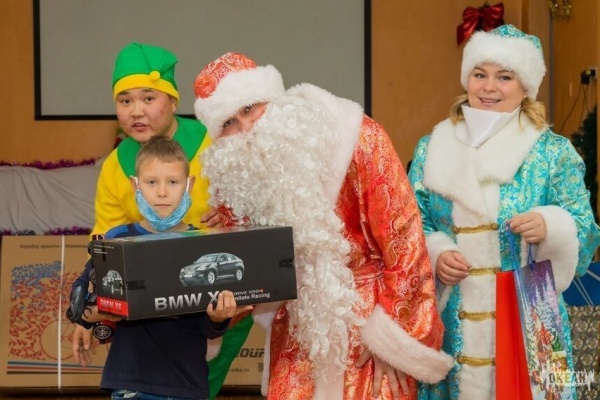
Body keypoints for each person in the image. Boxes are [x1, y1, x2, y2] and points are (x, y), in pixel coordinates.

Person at [192, 52, 454, 400]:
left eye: (250, 108)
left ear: (274, 98)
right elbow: (251, 279)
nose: (246, 128)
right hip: (298, 329)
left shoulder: (357, 137)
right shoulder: (240, 176)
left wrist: (393, 341)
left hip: (371, 322)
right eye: (228, 123)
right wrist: (219, 305)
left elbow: (403, 238)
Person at [408, 24, 600, 398]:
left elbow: (586, 231)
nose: (489, 87)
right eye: (480, 74)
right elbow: (412, 223)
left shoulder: (552, 153)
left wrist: (551, 227)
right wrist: (437, 253)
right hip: (453, 322)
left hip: (535, 317)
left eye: (504, 77)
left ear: (525, 87)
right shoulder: (432, 147)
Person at [72, 42, 250, 399]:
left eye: (148, 98)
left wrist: (234, 215)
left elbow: (261, 201)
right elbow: (105, 247)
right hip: (150, 316)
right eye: (125, 101)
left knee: (199, 384)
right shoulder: (115, 166)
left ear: (172, 100)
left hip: (219, 297)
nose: (136, 111)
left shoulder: (216, 139)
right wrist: (90, 313)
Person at [69, 135, 241, 400]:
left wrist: (219, 317)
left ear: (189, 185)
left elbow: (207, 329)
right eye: (151, 182)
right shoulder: (116, 240)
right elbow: (80, 299)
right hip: (130, 382)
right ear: (135, 185)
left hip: (186, 384)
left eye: (173, 182)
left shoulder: (202, 246)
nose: (162, 192)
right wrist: (97, 312)